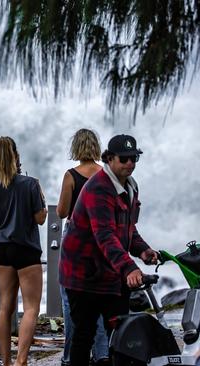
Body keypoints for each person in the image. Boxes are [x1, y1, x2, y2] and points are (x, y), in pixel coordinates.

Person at [59, 134, 159, 366]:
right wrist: (129, 268)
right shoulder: (99, 188)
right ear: (109, 159)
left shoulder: (131, 186)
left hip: (110, 272)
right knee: (84, 334)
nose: (130, 164)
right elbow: (104, 235)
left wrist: (143, 251)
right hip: (82, 274)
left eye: (134, 158)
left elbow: (128, 229)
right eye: (124, 159)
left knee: (120, 332)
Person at [0, 136, 47, 366]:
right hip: (26, 250)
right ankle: (21, 360)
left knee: (4, 307)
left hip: (3, 250)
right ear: (17, 156)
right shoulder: (30, 184)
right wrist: (41, 198)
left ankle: (5, 362)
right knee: (31, 308)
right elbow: (40, 219)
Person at [55, 129, 108, 366]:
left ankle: (71, 356)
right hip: (101, 239)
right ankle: (102, 354)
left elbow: (62, 212)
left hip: (76, 241)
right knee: (99, 295)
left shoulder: (71, 176)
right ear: (96, 146)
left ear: (76, 147)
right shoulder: (106, 174)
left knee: (71, 299)